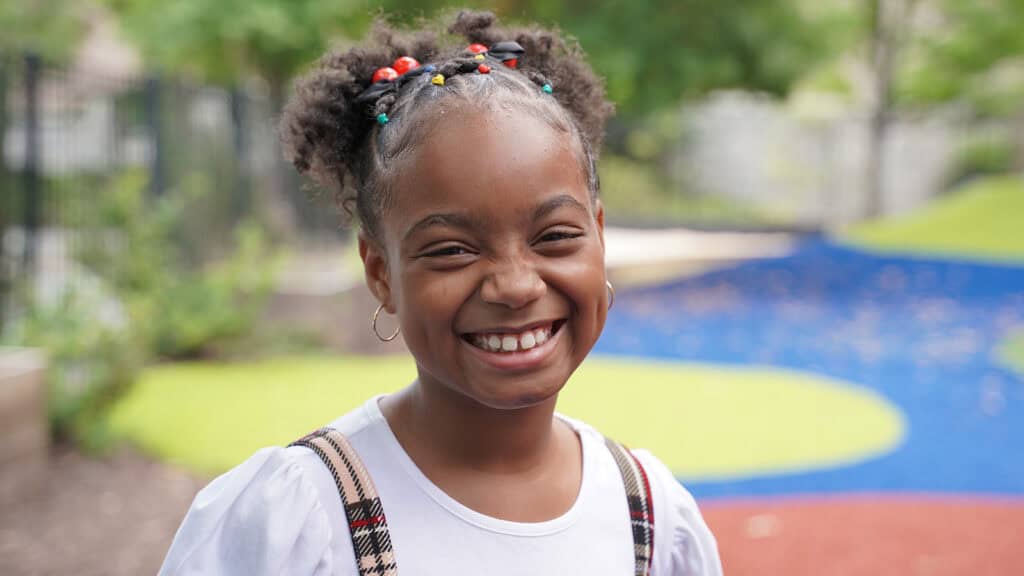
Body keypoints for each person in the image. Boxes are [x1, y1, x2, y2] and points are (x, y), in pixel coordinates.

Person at [159, 10, 721, 576]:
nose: (514, 285)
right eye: (453, 249)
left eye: (554, 237)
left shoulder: (649, 518)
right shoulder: (303, 521)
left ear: (598, 234)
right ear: (381, 273)